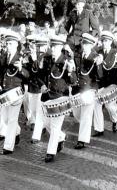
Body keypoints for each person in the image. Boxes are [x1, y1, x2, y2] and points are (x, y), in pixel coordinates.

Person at [0, 30, 29, 155]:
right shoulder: (2, 57)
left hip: (16, 92)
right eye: (7, 44)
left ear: (17, 44)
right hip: (4, 92)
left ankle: (8, 147)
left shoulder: (22, 57)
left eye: (11, 44)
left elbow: (29, 76)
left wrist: (21, 69)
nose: (8, 46)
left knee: (11, 120)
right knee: (5, 119)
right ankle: (17, 132)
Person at [39, 34, 76, 162]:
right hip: (48, 97)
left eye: (56, 47)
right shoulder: (47, 59)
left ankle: (50, 152)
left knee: (54, 126)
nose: (53, 49)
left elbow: (73, 81)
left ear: (61, 48)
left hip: (61, 97)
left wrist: (71, 71)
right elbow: (40, 75)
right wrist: (42, 85)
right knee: (46, 124)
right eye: (52, 46)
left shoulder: (66, 60)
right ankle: (61, 137)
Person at [72, 33, 100, 150]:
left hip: (89, 89)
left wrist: (100, 64)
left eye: (87, 44)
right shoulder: (78, 55)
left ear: (91, 45)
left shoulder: (95, 57)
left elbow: (99, 75)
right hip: (78, 89)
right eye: (84, 43)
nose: (85, 46)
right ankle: (86, 128)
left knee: (86, 116)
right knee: (76, 114)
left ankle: (82, 140)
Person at [93, 31, 117, 136]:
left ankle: (115, 120)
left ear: (111, 42)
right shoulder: (98, 51)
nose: (105, 43)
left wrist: (101, 60)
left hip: (111, 83)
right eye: (103, 41)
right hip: (101, 83)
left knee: (110, 106)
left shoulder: (114, 52)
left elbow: (109, 65)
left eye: (107, 41)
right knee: (96, 104)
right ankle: (99, 129)